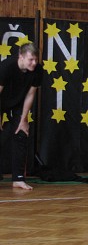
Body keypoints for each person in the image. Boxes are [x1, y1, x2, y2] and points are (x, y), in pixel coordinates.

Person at [0, 43, 42, 191]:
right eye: (31, 59)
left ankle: (18, 179)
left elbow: (30, 95)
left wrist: (23, 119)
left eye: (36, 59)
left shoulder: (37, 70)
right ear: (21, 57)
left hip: (17, 104)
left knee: (21, 134)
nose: (34, 63)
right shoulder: (6, 67)